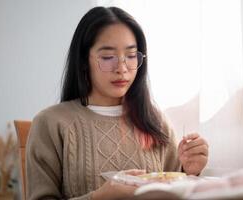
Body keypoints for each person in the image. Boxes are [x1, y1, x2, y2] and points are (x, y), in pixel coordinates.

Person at [26, 6, 209, 200]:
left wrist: (190, 172)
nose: (122, 68)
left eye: (131, 56)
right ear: (82, 61)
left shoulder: (156, 121)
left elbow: (173, 189)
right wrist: (99, 197)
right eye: (107, 57)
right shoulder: (51, 123)